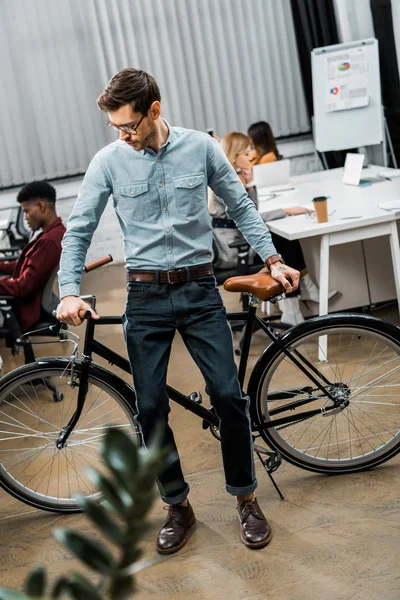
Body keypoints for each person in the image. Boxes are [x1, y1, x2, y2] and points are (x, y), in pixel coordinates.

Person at [56, 68, 300, 554]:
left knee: (229, 398)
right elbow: (79, 228)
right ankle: (178, 506)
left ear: (155, 110)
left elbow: (241, 206)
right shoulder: (107, 161)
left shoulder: (201, 148)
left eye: (130, 126)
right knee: (150, 408)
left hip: (198, 291)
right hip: (144, 297)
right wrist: (67, 289)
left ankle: (246, 499)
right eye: (115, 128)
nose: (123, 136)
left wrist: (273, 258)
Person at [210, 132, 334, 325]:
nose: (251, 156)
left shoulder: (235, 177)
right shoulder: (225, 182)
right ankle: (296, 304)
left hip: (237, 241)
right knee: (282, 237)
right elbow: (249, 217)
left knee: (284, 237)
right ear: (234, 157)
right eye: (246, 153)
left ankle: (302, 295)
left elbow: (252, 210)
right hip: (234, 249)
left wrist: (250, 183)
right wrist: (284, 210)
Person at [0, 181, 65, 334]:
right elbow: (26, 264)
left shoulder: (49, 241)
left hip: (26, 313)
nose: (26, 218)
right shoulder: (52, 234)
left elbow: (22, 287)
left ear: (41, 207)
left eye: (27, 212)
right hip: (29, 305)